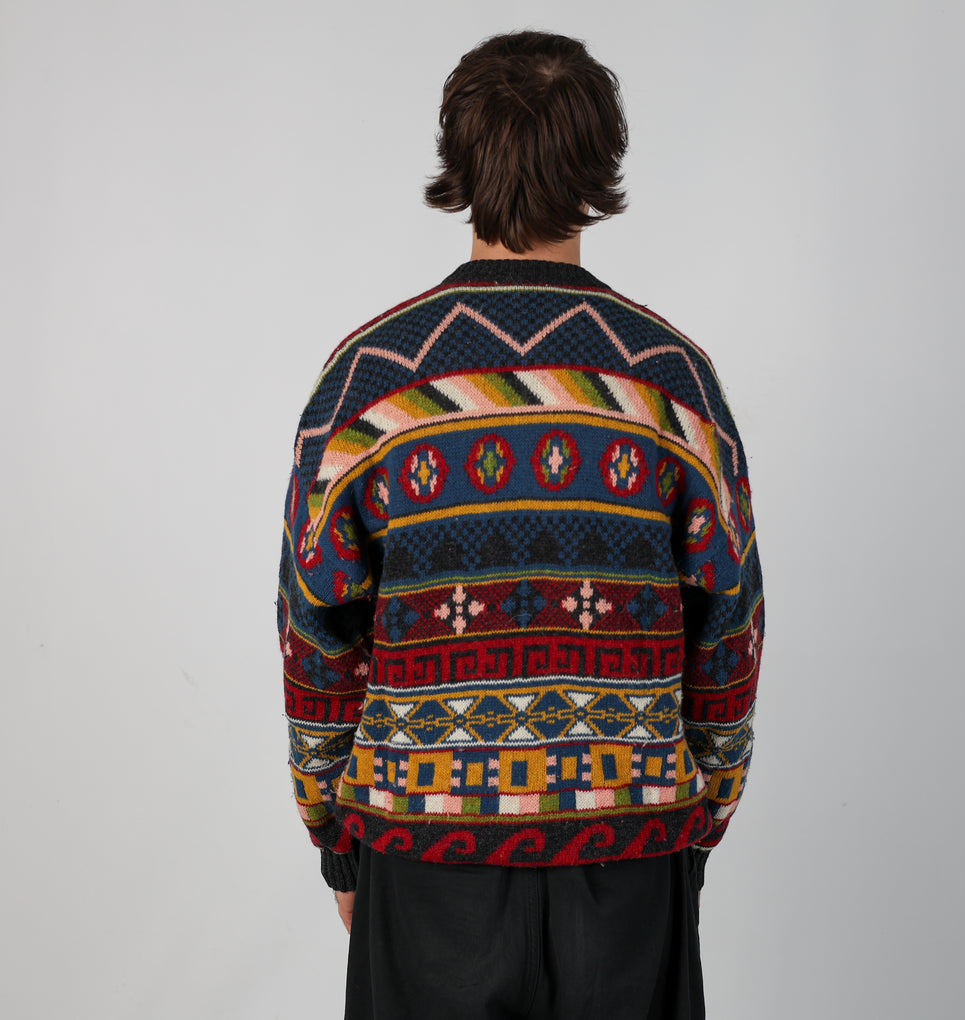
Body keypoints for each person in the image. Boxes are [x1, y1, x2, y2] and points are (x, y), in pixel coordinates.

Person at [277, 30, 764, 1020]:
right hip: (629, 853)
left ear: (459, 158)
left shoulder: (370, 384)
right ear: (600, 162)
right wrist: (699, 817)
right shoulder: (672, 385)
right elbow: (732, 631)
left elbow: (314, 631)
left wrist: (335, 833)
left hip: (424, 859)